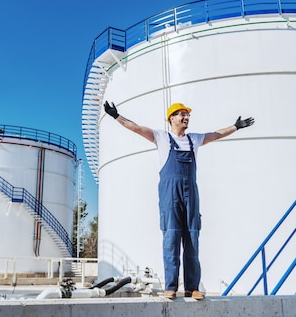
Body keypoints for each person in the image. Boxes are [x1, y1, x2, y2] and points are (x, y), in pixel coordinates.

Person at [103, 101, 254, 300]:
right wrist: (116, 116)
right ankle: (171, 286)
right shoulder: (161, 137)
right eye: (181, 114)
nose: (186, 117)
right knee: (171, 239)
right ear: (171, 118)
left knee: (192, 239)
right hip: (170, 194)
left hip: (191, 194)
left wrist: (236, 126)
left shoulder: (195, 139)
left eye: (187, 115)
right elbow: (136, 128)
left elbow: (216, 134)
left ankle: (192, 287)